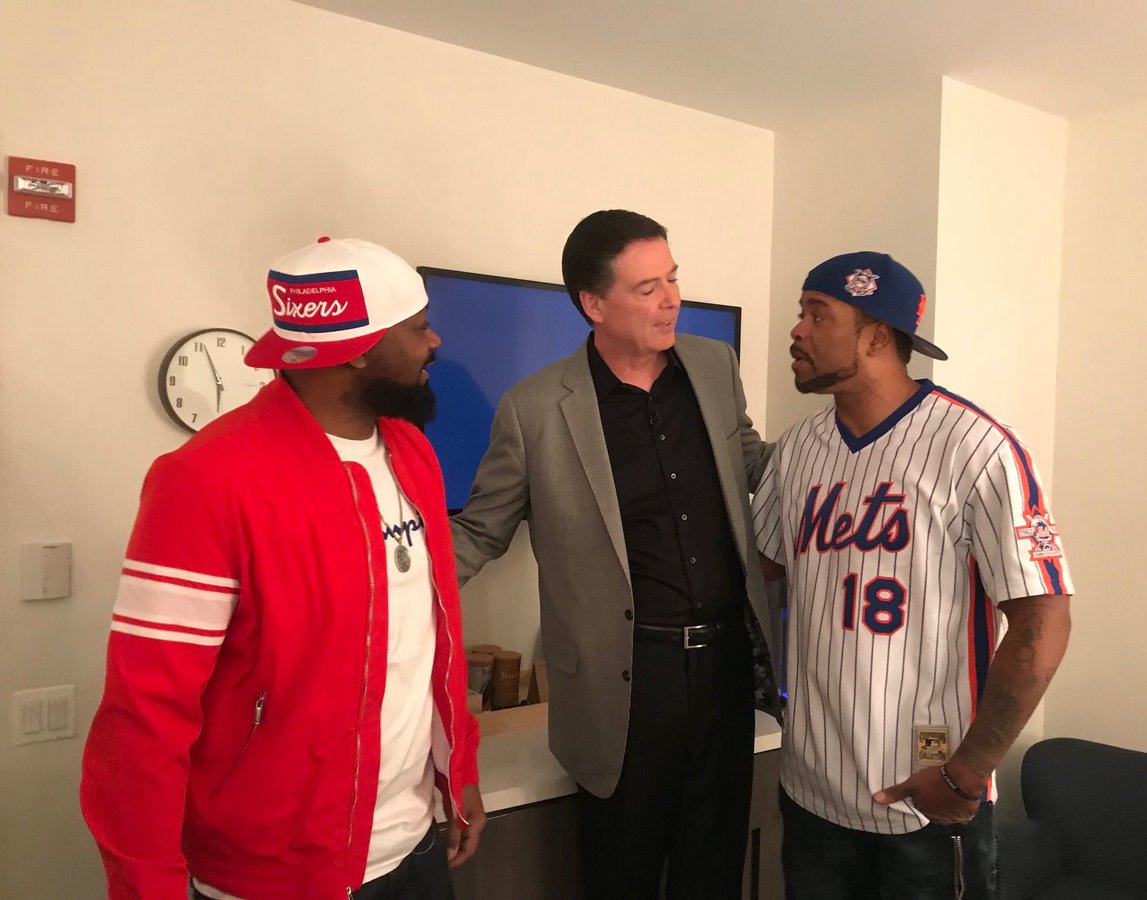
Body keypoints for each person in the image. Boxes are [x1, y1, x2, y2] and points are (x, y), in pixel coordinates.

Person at [81, 237, 485, 900]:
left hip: (414, 845)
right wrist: (146, 887)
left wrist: (459, 770)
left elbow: (432, 639)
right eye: (417, 328)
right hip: (273, 874)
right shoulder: (207, 481)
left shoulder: (412, 452)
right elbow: (143, 717)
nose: (433, 342)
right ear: (357, 350)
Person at [450, 210, 777, 899]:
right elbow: (479, 532)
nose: (672, 300)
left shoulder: (714, 367)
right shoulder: (535, 409)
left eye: (674, 279)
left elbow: (755, 465)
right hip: (622, 681)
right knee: (620, 874)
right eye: (648, 288)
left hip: (724, 666)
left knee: (713, 871)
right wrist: (379, 588)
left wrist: (852, 453)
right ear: (594, 305)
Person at [752, 251, 1073, 899]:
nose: (797, 330)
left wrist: (967, 773)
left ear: (876, 337)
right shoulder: (798, 449)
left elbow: (1043, 619)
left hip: (925, 798)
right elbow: (763, 566)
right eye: (801, 312)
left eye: (818, 314)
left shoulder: (976, 447)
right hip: (811, 791)